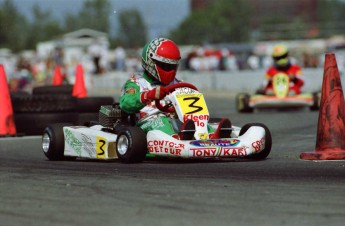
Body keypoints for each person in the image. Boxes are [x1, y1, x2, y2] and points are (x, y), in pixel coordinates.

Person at [119, 38, 231, 140]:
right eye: (165, 66)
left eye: (172, 66)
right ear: (150, 62)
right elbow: (125, 104)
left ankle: (212, 136)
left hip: (176, 119)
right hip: (147, 123)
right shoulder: (136, 82)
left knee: (197, 120)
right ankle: (177, 139)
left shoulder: (178, 83)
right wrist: (149, 95)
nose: (170, 70)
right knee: (161, 122)